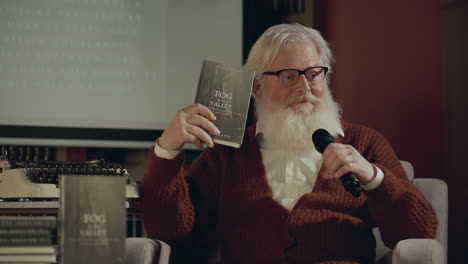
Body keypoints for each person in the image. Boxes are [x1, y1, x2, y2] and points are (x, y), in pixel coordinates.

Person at [142, 23, 437, 264]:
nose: (304, 88)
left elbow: (421, 231)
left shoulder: (365, 142)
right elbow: (171, 232)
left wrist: (373, 178)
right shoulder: (228, 154)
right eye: (288, 76)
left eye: (314, 74)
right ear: (256, 86)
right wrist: (167, 150)